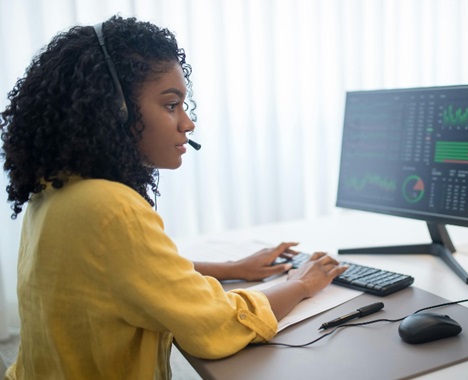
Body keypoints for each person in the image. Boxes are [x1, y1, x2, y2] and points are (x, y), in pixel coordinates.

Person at [0, 15, 346, 379]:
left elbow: (129, 276)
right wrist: (301, 284)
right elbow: (218, 326)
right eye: (170, 105)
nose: (187, 123)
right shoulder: (110, 207)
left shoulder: (58, 189)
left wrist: (232, 270)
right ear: (115, 110)